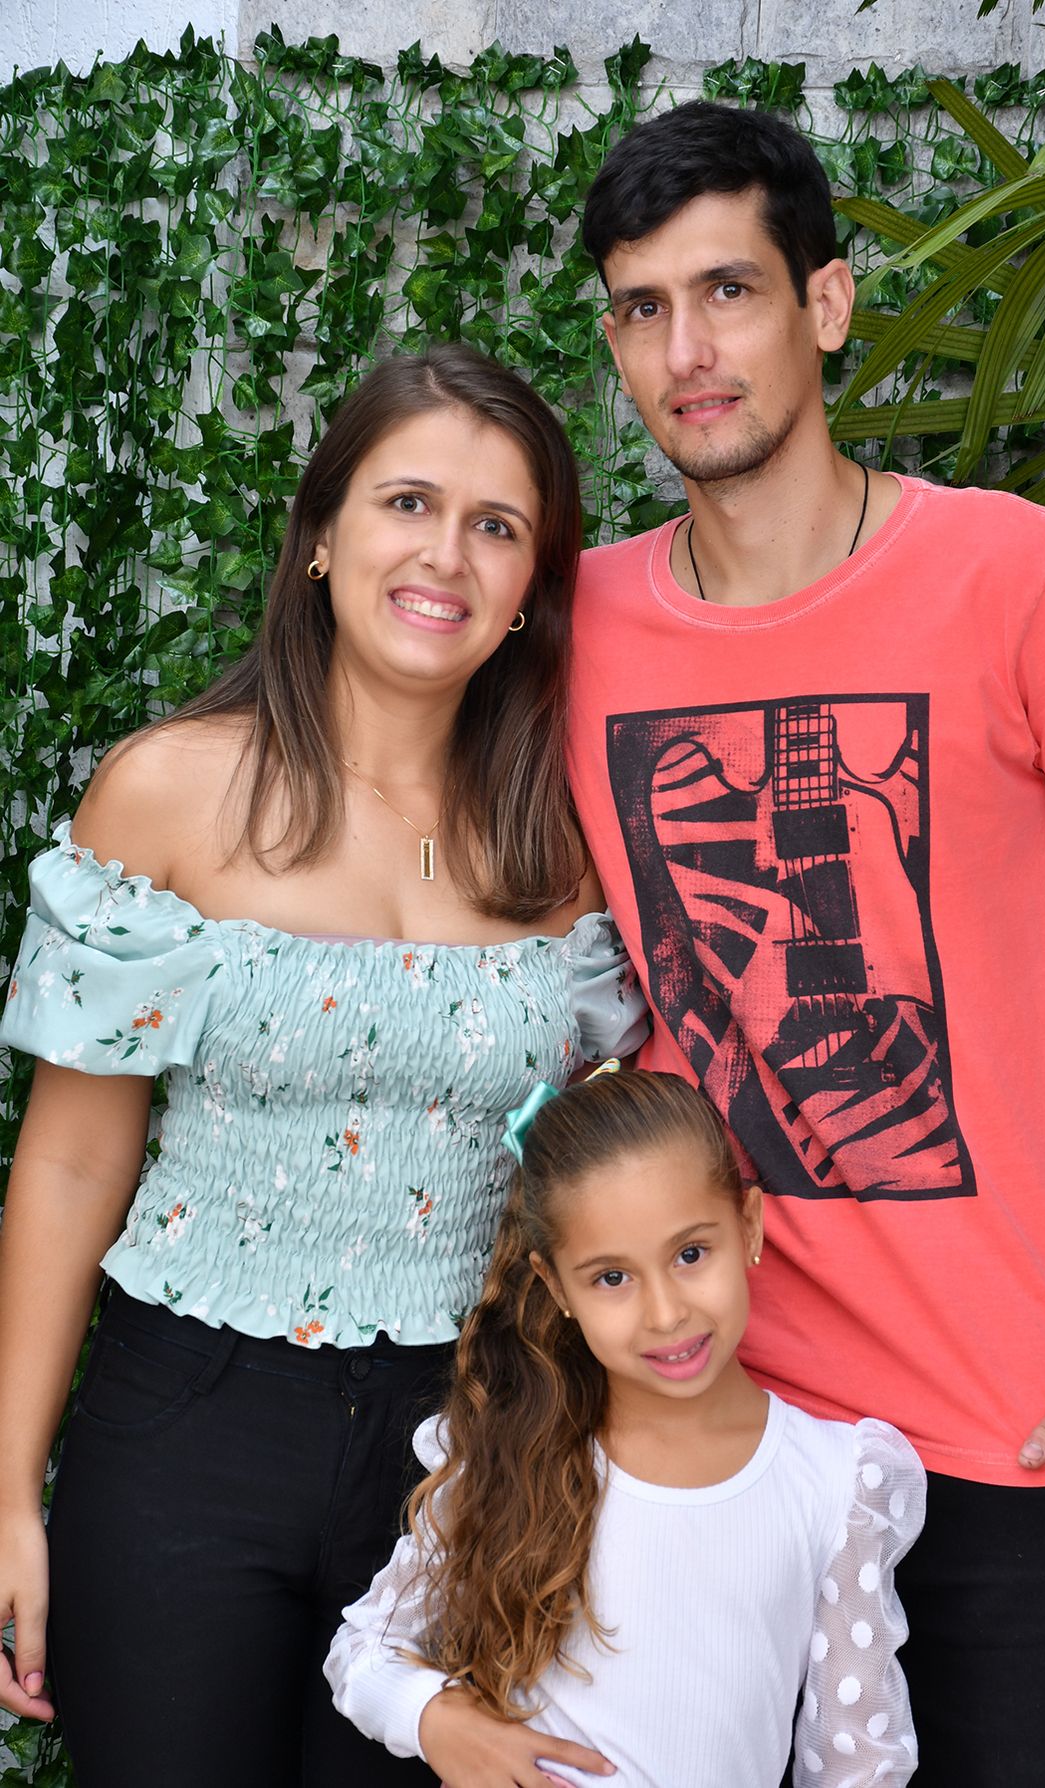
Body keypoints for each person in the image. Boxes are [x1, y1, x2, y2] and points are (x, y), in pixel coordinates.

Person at [563, 99, 1045, 1787]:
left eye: (730, 291)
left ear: (827, 303)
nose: (688, 353)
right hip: (711, 1439)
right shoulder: (576, 627)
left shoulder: (1026, 578)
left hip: (1015, 1427)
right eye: (642, 309)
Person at [0, 344, 648, 1788]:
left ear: (532, 586)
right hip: (185, 1431)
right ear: (320, 536)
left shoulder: (563, 842)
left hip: (465, 1453)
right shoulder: (170, 790)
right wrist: (6, 1499)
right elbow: (72, 1158)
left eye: (496, 525)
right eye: (408, 503)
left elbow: (602, 1176)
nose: (445, 555)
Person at [326, 1066, 925, 1788]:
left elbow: (860, 1764)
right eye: (613, 1277)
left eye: (690, 1254)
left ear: (750, 1226)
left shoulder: (836, 1480)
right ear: (557, 1286)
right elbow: (363, 1652)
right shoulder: (513, 1453)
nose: (666, 1313)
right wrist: (436, 1719)